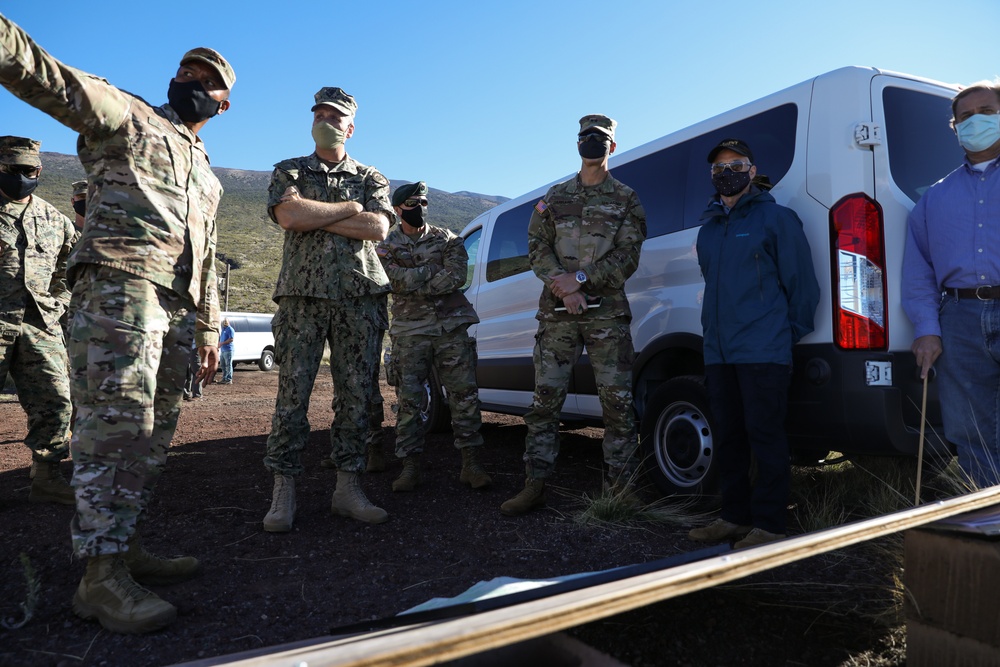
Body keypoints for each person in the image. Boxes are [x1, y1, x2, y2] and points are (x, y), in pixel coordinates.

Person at [0, 13, 234, 633]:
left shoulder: (207, 175)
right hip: (119, 291)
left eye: (206, 77)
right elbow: (51, 77)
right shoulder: (129, 116)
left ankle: (123, 547)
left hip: (177, 313)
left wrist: (210, 329)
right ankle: (99, 581)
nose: (191, 79)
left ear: (223, 102)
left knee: (152, 439)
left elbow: (206, 257)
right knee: (113, 433)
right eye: (186, 69)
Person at [500, 115, 646, 516]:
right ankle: (535, 485)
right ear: (576, 143)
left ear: (612, 147)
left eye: (600, 138)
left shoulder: (626, 199)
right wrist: (560, 286)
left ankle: (622, 490)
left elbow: (628, 255)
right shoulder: (556, 195)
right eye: (586, 137)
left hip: (607, 316)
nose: (592, 143)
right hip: (557, 315)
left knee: (617, 405)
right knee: (545, 402)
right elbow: (536, 245)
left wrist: (580, 280)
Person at [262, 87, 391, 533]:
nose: (325, 118)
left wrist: (317, 212)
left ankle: (347, 489)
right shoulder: (288, 170)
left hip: (359, 297)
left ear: (349, 128)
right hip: (302, 297)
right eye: (318, 112)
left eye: (334, 115)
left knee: (356, 396)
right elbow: (290, 218)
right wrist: (347, 209)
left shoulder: (372, 177)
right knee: (292, 396)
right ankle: (283, 491)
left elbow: (377, 227)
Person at [687, 138, 819, 549]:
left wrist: (786, 332)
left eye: (736, 164)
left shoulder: (777, 219)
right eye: (719, 168)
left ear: (751, 169)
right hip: (719, 352)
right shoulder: (708, 231)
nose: (727, 173)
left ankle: (770, 524)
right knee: (728, 436)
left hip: (764, 350)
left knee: (766, 436)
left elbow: (802, 284)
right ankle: (734, 517)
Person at [903, 81, 1000, 488]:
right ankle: (986, 524)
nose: (975, 121)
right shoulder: (933, 199)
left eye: (987, 112)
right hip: (958, 318)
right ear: (954, 128)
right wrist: (926, 329)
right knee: (969, 428)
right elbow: (919, 270)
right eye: (965, 117)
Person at [376, 181, 491, 492]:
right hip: (410, 332)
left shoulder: (448, 239)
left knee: (464, 397)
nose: (419, 209)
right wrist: (430, 272)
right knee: (410, 400)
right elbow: (393, 281)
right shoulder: (386, 246)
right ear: (398, 209)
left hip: (451, 328)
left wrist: (414, 278)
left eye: (423, 203)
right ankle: (410, 467)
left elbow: (456, 276)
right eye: (413, 204)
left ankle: (471, 464)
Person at [0, 136, 78, 502]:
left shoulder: (55, 219)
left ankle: (46, 477)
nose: (21, 176)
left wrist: (58, 301)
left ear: (39, 171)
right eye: (12, 170)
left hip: (38, 325)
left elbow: (70, 269)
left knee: (57, 400)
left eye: (28, 170)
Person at [219, 317, 235, 384]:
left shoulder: (230, 329)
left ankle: (229, 379)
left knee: (228, 364)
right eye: (223, 322)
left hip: (228, 349)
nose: (224, 323)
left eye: (225, 322)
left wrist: (222, 343)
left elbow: (231, 339)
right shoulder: (223, 329)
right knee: (223, 365)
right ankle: (224, 378)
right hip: (223, 350)